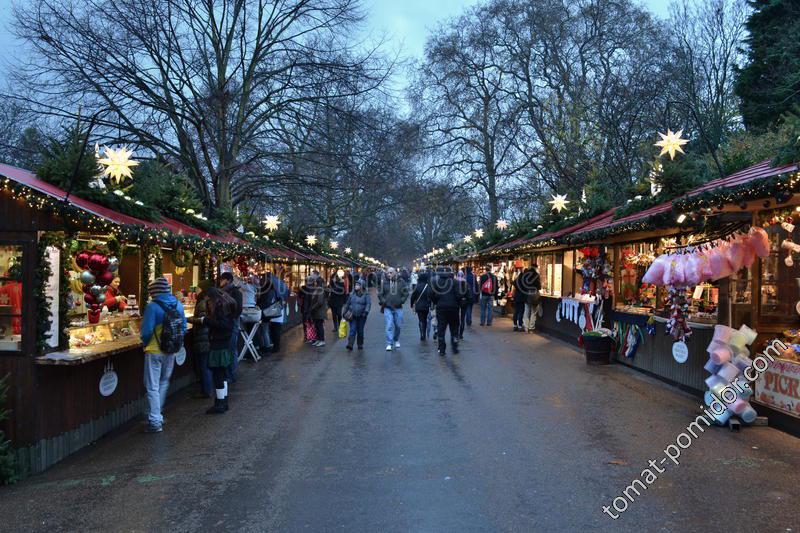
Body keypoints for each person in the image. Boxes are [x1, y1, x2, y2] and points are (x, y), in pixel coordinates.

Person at [140, 277, 187, 433]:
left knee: (152, 386)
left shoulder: (153, 307)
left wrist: (145, 343)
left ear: (154, 292)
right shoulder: (178, 305)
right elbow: (184, 327)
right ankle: (157, 414)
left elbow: (146, 331)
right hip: (172, 349)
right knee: (164, 381)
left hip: (154, 350)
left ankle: (155, 420)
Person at [191, 287, 237, 414]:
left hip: (218, 345)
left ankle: (220, 404)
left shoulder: (219, 309)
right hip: (224, 344)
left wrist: (205, 320)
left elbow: (222, 325)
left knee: (218, 376)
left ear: (211, 298)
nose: (207, 303)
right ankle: (223, 401)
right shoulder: (226, 306)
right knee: (222, 375)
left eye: (207, 300)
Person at [430, 266, 466, 356]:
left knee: (441, 329)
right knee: (454, 328)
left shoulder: (436, 283)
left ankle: (442, 349)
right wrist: (458, 304)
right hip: (453, 308)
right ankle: (454, 346)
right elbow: (459, 295)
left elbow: (431, 295)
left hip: (441, 308)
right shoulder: (456, 282)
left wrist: (437, 302)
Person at [191, 280, 213, 398]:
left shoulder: (203, 302)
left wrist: (189, 320)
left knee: (204, 366)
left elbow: (203, 320)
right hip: (205, 337)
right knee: (204, 365)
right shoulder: (206, 300)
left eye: (198, 288)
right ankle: (207, 388)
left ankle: (206, 390)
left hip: (203, 337)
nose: (196, 290)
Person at [378, 267, 409, 351]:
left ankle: (396, 339)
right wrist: (384, 301)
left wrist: (401, 300)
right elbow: (380, 294)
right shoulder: (384, 282)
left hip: (398, 307)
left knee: (398, 325)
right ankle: (389, 343)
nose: (389, 274)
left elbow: (406, 292)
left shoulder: (401, 281)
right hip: (387, 307)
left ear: (395, 272)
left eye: (391, 272)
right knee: (389, 325)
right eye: (388, 273)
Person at [219, 272, 242, 379]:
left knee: (231, 349)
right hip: (225, 325)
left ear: (227, 280)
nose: (220, 282)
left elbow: (238, 310)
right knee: (227, 349)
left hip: (231, 325)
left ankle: (231, 374)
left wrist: (229, 319)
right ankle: (227, 374)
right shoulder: (223, 292)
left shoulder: (235, 292)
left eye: (221, 279)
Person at [342, 279, 371, 350]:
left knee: (360, 330)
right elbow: (347, 304)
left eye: (358, 285)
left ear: (361, 286)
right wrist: (344, 312)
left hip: (362, 316)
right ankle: (350, 344)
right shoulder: (352, 294)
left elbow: (368, 304)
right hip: (352, 315)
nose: (356, 286)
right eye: (356, 284)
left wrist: (366, 312)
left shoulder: (366, 294)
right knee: (352, 329)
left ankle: (360, 344)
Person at [410, 271, 433, 341]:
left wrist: (411, 304)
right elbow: (431, 296)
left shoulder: (417, 286)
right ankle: (424, 333)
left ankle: (422, 334)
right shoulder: (428, 286)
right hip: (426, 306)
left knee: (420, 319)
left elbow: (413, 296)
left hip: (419, 306)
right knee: (425, 320)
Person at [308, 276, 328, 347]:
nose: (315, 283)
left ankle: (322, 340)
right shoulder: (318, 289)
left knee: (319, 326)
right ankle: (319, 339)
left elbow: (320, 302)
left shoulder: (320, 290)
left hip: (319, 311)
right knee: (317, 326)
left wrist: (313, 308)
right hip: (317, 312)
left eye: (316, 282)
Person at [523, 264, 542, 332]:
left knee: (526, 311)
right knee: (533, 312)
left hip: (526, 294)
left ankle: (526, 327)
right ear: (536, 268)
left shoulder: (525, 275)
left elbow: (523, 285)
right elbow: (539, 286)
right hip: (534, 295)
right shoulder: (536, 275)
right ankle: (531, 328)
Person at [456, 270, 472, 340]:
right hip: (464, 302)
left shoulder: (455, 283)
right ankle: (461, 335)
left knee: (456, 319)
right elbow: (469, 294)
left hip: (456, 303)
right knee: (462, 318)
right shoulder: (466, 283)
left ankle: (456, 334)